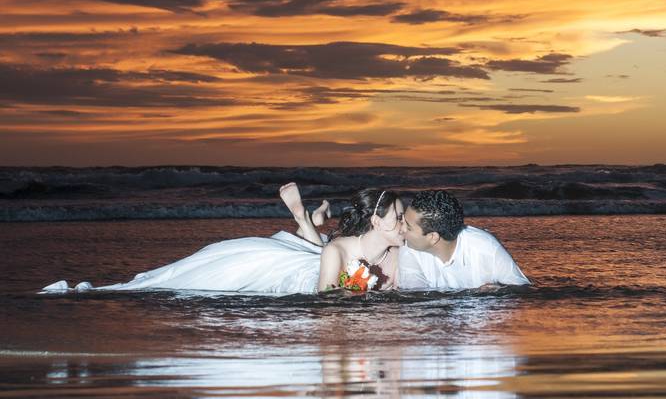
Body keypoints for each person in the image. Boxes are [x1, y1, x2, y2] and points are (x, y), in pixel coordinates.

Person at [42, 185, 405, 295]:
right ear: (375, 221)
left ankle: (306, 223)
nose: (404, 224)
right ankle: (305, 223)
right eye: (398, 217)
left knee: (319, 248)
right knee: (209, 273)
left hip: (323, 254)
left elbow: (393, 295)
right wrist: (355, 291)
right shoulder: (339, 251)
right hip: (296, 271)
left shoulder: (393, 253)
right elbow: (323, 299)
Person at [397, 190, 530, 289]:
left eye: (408, 227)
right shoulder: (409, 248)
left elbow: (522, 290)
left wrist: (499, 292)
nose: (400, 229)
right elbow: (416, 298)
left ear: (433, 237)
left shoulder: (486, 248)